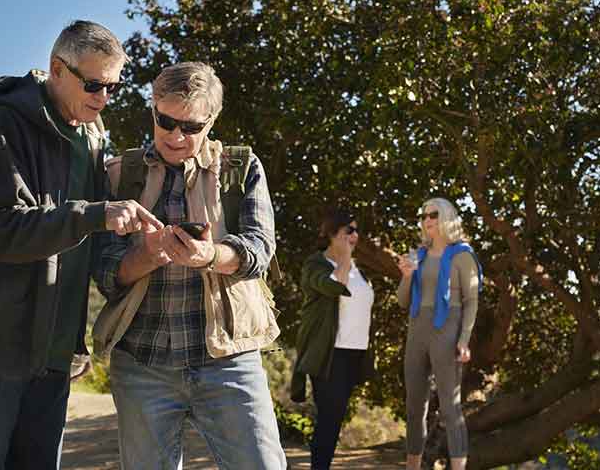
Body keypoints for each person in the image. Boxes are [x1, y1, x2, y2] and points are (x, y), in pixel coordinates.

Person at [0, 20, 163, 470]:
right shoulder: (4, 125)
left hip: (54, 354)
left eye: (112, 88)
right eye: (94, 84)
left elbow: (83, 248)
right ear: (58, 69)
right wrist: (94, 213)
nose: (103, 99)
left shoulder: (93, 138)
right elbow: (0, 229)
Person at [93, 62, 286, 470]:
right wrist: (146, 256)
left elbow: (259, 250)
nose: (177, 136)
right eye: (166, 122)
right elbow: (106, 274)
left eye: (192, 127)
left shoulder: (241, 167)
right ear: (153, 110)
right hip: (142, 362)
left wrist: (210, 256)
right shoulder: (118, 174)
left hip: (228, 359)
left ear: (211, 121)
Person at [397, 197, 482, 470]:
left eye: (433, 214)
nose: (427, 220)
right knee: (414, 406)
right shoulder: (417, 255)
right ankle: (412, 465)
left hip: (447, 329)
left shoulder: (462, 255)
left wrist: (465, 340)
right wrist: (407, 276)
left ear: (446, 216)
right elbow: (402, 301)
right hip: (417, 329)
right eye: (423, 216)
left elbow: (471, 301)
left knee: (450, 407)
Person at [290, 208, 376, 470]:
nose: (354, 235)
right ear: (331, 233)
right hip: (329, 354)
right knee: (329, 419)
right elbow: (333, 287)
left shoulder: (356, 269)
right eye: (348, 230)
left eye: (356, 230)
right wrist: (345, 257)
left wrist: (348, 259)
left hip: (354, 354)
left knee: (334, 419)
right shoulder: (316, 264)